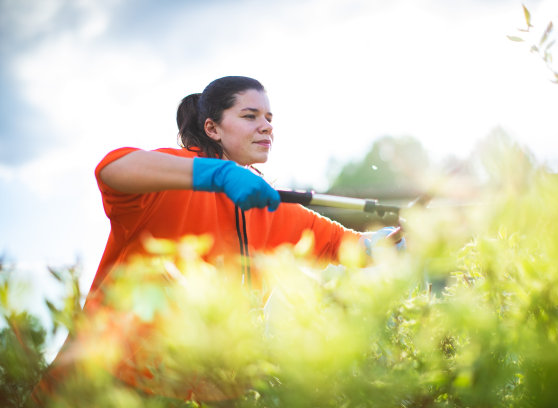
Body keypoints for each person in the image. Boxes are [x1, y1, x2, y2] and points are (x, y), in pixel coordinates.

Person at [30, 76, 400, 406]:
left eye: (270, 119)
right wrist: (219, 173)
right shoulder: (170, 178)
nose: (265, 127)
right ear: (212, 127)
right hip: (98, 383)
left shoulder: (269, 204)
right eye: (250, 116)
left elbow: (344, 245)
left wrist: (381, 242)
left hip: (190, 393)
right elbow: (112, 169)